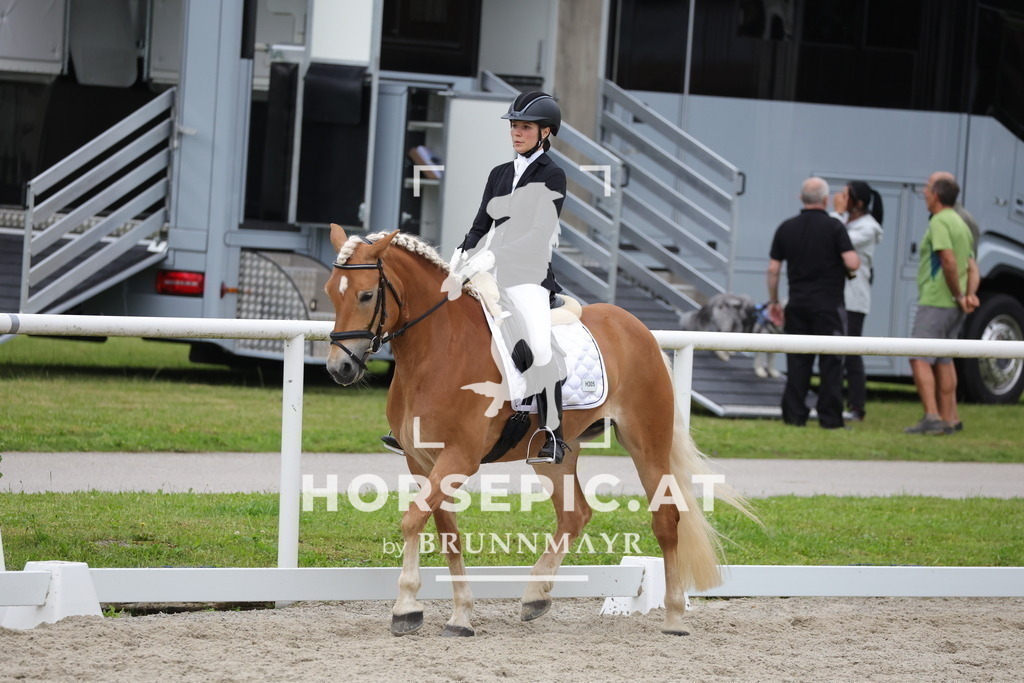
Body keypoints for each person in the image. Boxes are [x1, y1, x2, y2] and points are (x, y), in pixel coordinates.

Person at [445, 91, 569, 463]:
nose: (517, 132)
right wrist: (461, 254)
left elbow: (537, 234)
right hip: (489, 272)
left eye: (525, 127)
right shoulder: (499, 173)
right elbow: (480, 224)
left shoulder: (553, 175)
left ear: (545, 132)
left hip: (528, 275)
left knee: (540, 346)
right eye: (514, 125)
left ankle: (552, 435)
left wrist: (493, 255)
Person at [767, 177, 860, 429]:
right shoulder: (834, 227)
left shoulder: (786, 227)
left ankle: (794, 415)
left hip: (797, 305)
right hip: (828, 307)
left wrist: (774, 301)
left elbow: (773, 269)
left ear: (801, 198)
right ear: (826, 199)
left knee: (797, 363)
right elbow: (852, 262)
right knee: (831, 363)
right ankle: (830, 418)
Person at [905, 174, 980, 435]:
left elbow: (947, 261)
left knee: (918, 357)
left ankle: (932, 417)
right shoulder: (961, 223)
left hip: (937, 300)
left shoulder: (939, 221)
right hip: (953, 305)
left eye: (927, 188)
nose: (924, 192)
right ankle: (950, 419)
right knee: (944, 359)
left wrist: (959, 295)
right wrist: (968, 297)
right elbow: (972, 268)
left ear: (936, 195)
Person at [834, 181, 884, 422]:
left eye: (845, 195)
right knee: (836, 353)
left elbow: (837, 239)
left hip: (854, 299)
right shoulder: (847, 223)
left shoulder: (869, 228)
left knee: (852, 353)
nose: (839, 197)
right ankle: (840, 402)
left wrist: (836, 212)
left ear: (858, 202)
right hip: (838, 297)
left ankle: (857, 406)